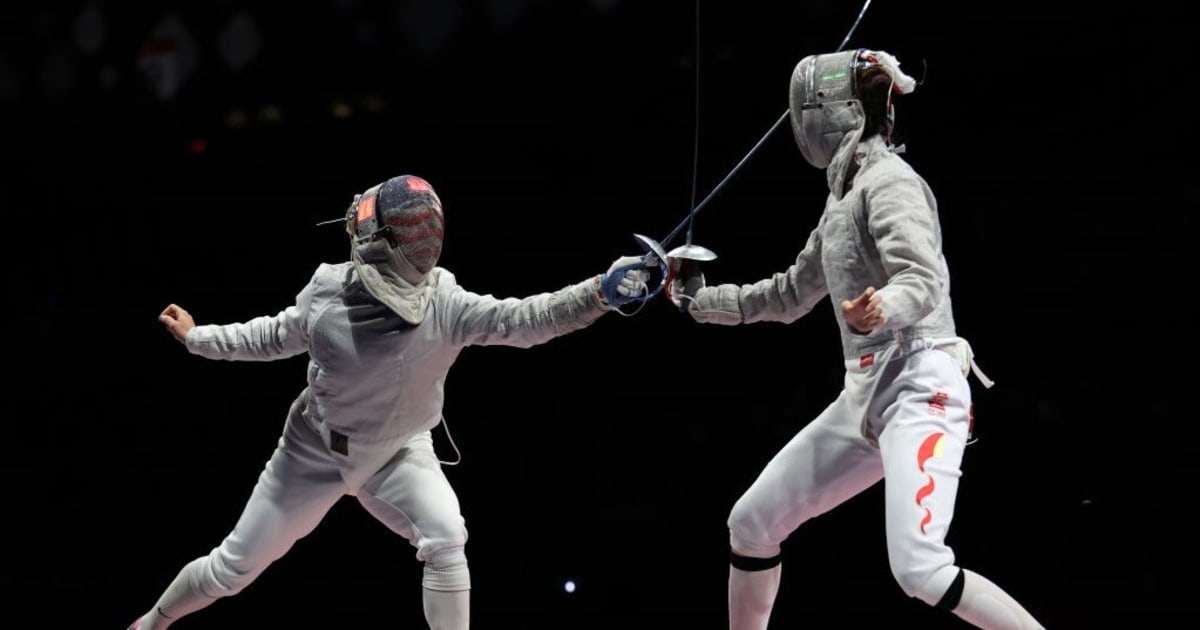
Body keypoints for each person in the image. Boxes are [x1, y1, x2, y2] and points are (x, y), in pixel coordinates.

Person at [126, 174, 650, 630]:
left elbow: (528, 318)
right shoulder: (329, 291)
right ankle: (152, 622)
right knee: (229, 572)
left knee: (447, 537)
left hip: (399, 452)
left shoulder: (446, 302)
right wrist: (198, 338)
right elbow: (268, 336)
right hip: (314, 453)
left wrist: (599, 293)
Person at [666, 49, 1047, 629]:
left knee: (921, 570)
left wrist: (882, 305)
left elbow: (924, 277)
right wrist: (699, 299)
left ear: (828, 114)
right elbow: (790, 293)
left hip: (922, 386)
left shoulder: (891, 182)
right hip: (866, 393)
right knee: (751, 523)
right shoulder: (842, 198)